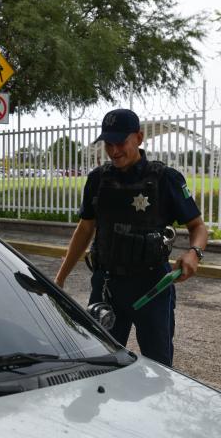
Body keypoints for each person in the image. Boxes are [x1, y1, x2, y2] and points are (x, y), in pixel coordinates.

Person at [54, 108, 208, 366]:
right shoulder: (97, 180)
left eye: (121, 142)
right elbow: (85, 229)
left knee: (158, 367)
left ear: (139, 137)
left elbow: (198, 227)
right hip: (107, 286)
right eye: (108, 144)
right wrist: (60, 279)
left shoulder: (165, 179)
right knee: (101, 365)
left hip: (152, 286)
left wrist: (195, 253)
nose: (114, 151)